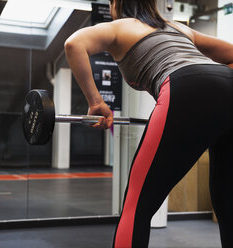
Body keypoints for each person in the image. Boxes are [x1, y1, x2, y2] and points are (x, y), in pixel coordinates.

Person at [64, 0, 233, 247]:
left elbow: (73, 43)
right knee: (227, 200)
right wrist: (215, 85)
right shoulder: (177, 28)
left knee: (136, 206)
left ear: (115, 4)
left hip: (185, 87)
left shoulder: (120, 27)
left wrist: (96, 102)